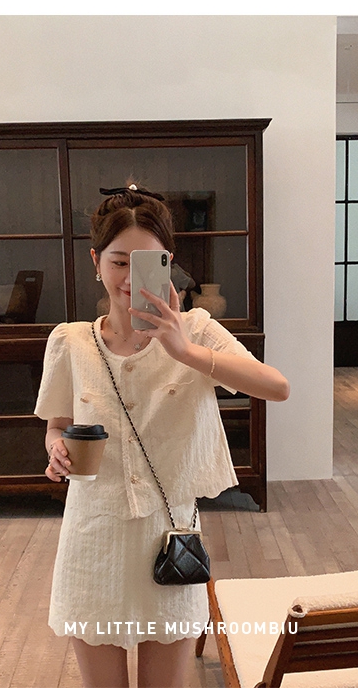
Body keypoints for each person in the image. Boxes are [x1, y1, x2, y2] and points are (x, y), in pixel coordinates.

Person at [35, 184, 289, 688]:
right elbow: (57, 426)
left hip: (169, 543)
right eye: (119, 262)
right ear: (96, 262)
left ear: (169, 263)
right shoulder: (70, 342)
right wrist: (56, 449)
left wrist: (184, 351)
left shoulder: (196, 331)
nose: (131, 279)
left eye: (148, 263)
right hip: (93, 540)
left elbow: (276, 387)